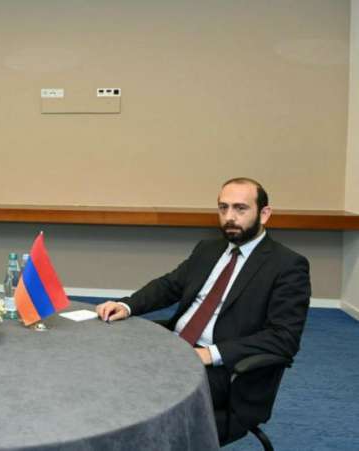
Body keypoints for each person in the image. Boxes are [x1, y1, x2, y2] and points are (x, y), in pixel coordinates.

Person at [95, 177, 311, 439]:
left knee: (139, 390)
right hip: (176, 346)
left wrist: (210, 354)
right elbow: (170, 286)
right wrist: (126, 305)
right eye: (223, 208)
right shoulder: (208, 249)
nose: (229, 217)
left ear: (264, 214)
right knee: (105, 363)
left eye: (240, 208)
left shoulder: (287, 266)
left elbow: (283, 338)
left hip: (225, 370)